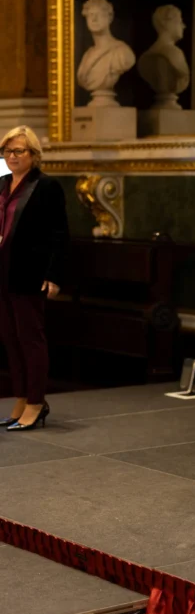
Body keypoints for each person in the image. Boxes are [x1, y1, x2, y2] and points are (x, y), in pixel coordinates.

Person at [0, 126, 68, 431]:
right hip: (2, 270)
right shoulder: (1, 184)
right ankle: (21, 397)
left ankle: (37, 401)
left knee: (31, 339)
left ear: (34, 155)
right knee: (10, 339)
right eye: (7, 151)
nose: (12, 157)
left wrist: (54, 276)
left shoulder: (46, 187)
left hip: (30, 272)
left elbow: (59, 235)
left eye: (18, 151)